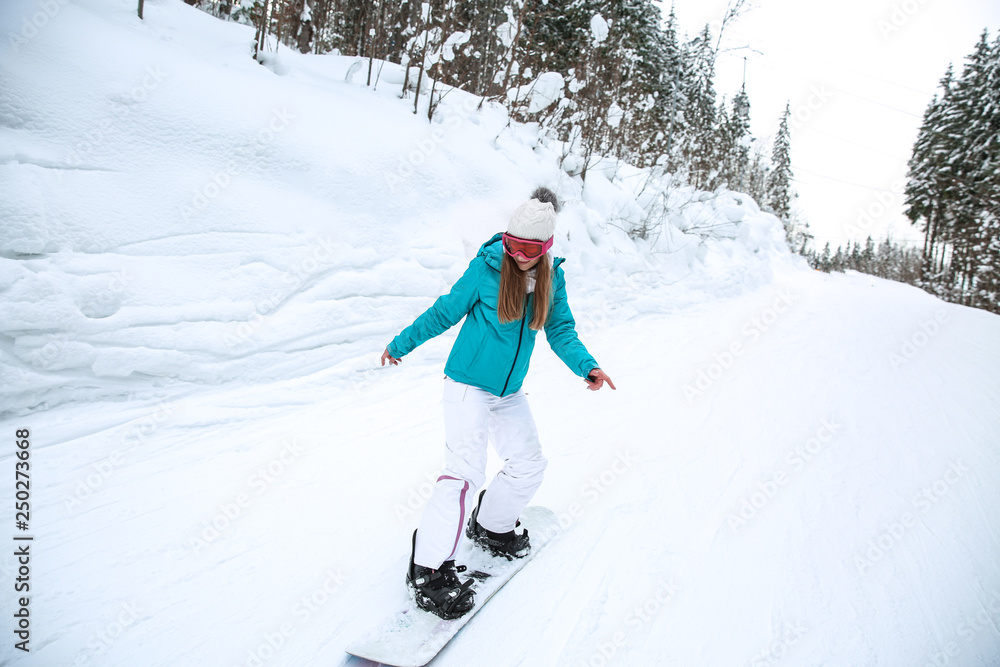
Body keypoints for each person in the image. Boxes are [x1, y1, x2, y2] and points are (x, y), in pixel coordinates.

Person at [380, 187, 615, 619]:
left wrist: (588, 367)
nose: (519, 255)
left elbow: (561, 331)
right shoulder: (486, 268)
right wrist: (400, 344)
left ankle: (490, 525)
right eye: (513, 244)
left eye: (529, 248)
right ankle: (427, 568)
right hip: (467, 383)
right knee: (464, 473)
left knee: (529, 463)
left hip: (507, 392)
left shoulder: (552, 277)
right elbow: (444, 312)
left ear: (545, 248)